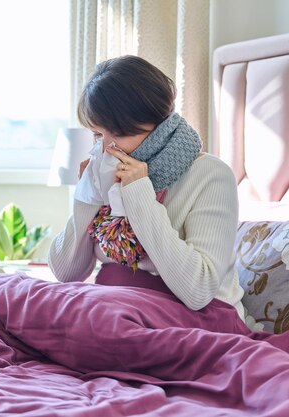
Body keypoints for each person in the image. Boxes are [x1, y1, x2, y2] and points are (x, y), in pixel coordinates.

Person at [48, 55, 245, 321]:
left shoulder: (211, 175)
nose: (105, 148)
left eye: (117, 133)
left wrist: (139, 194)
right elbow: (66, 273)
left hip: (195, 322)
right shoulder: (105, 176)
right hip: (114, 315)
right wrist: (88, 196)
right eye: (97, 134)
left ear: (159, 125)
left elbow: (198, 291)